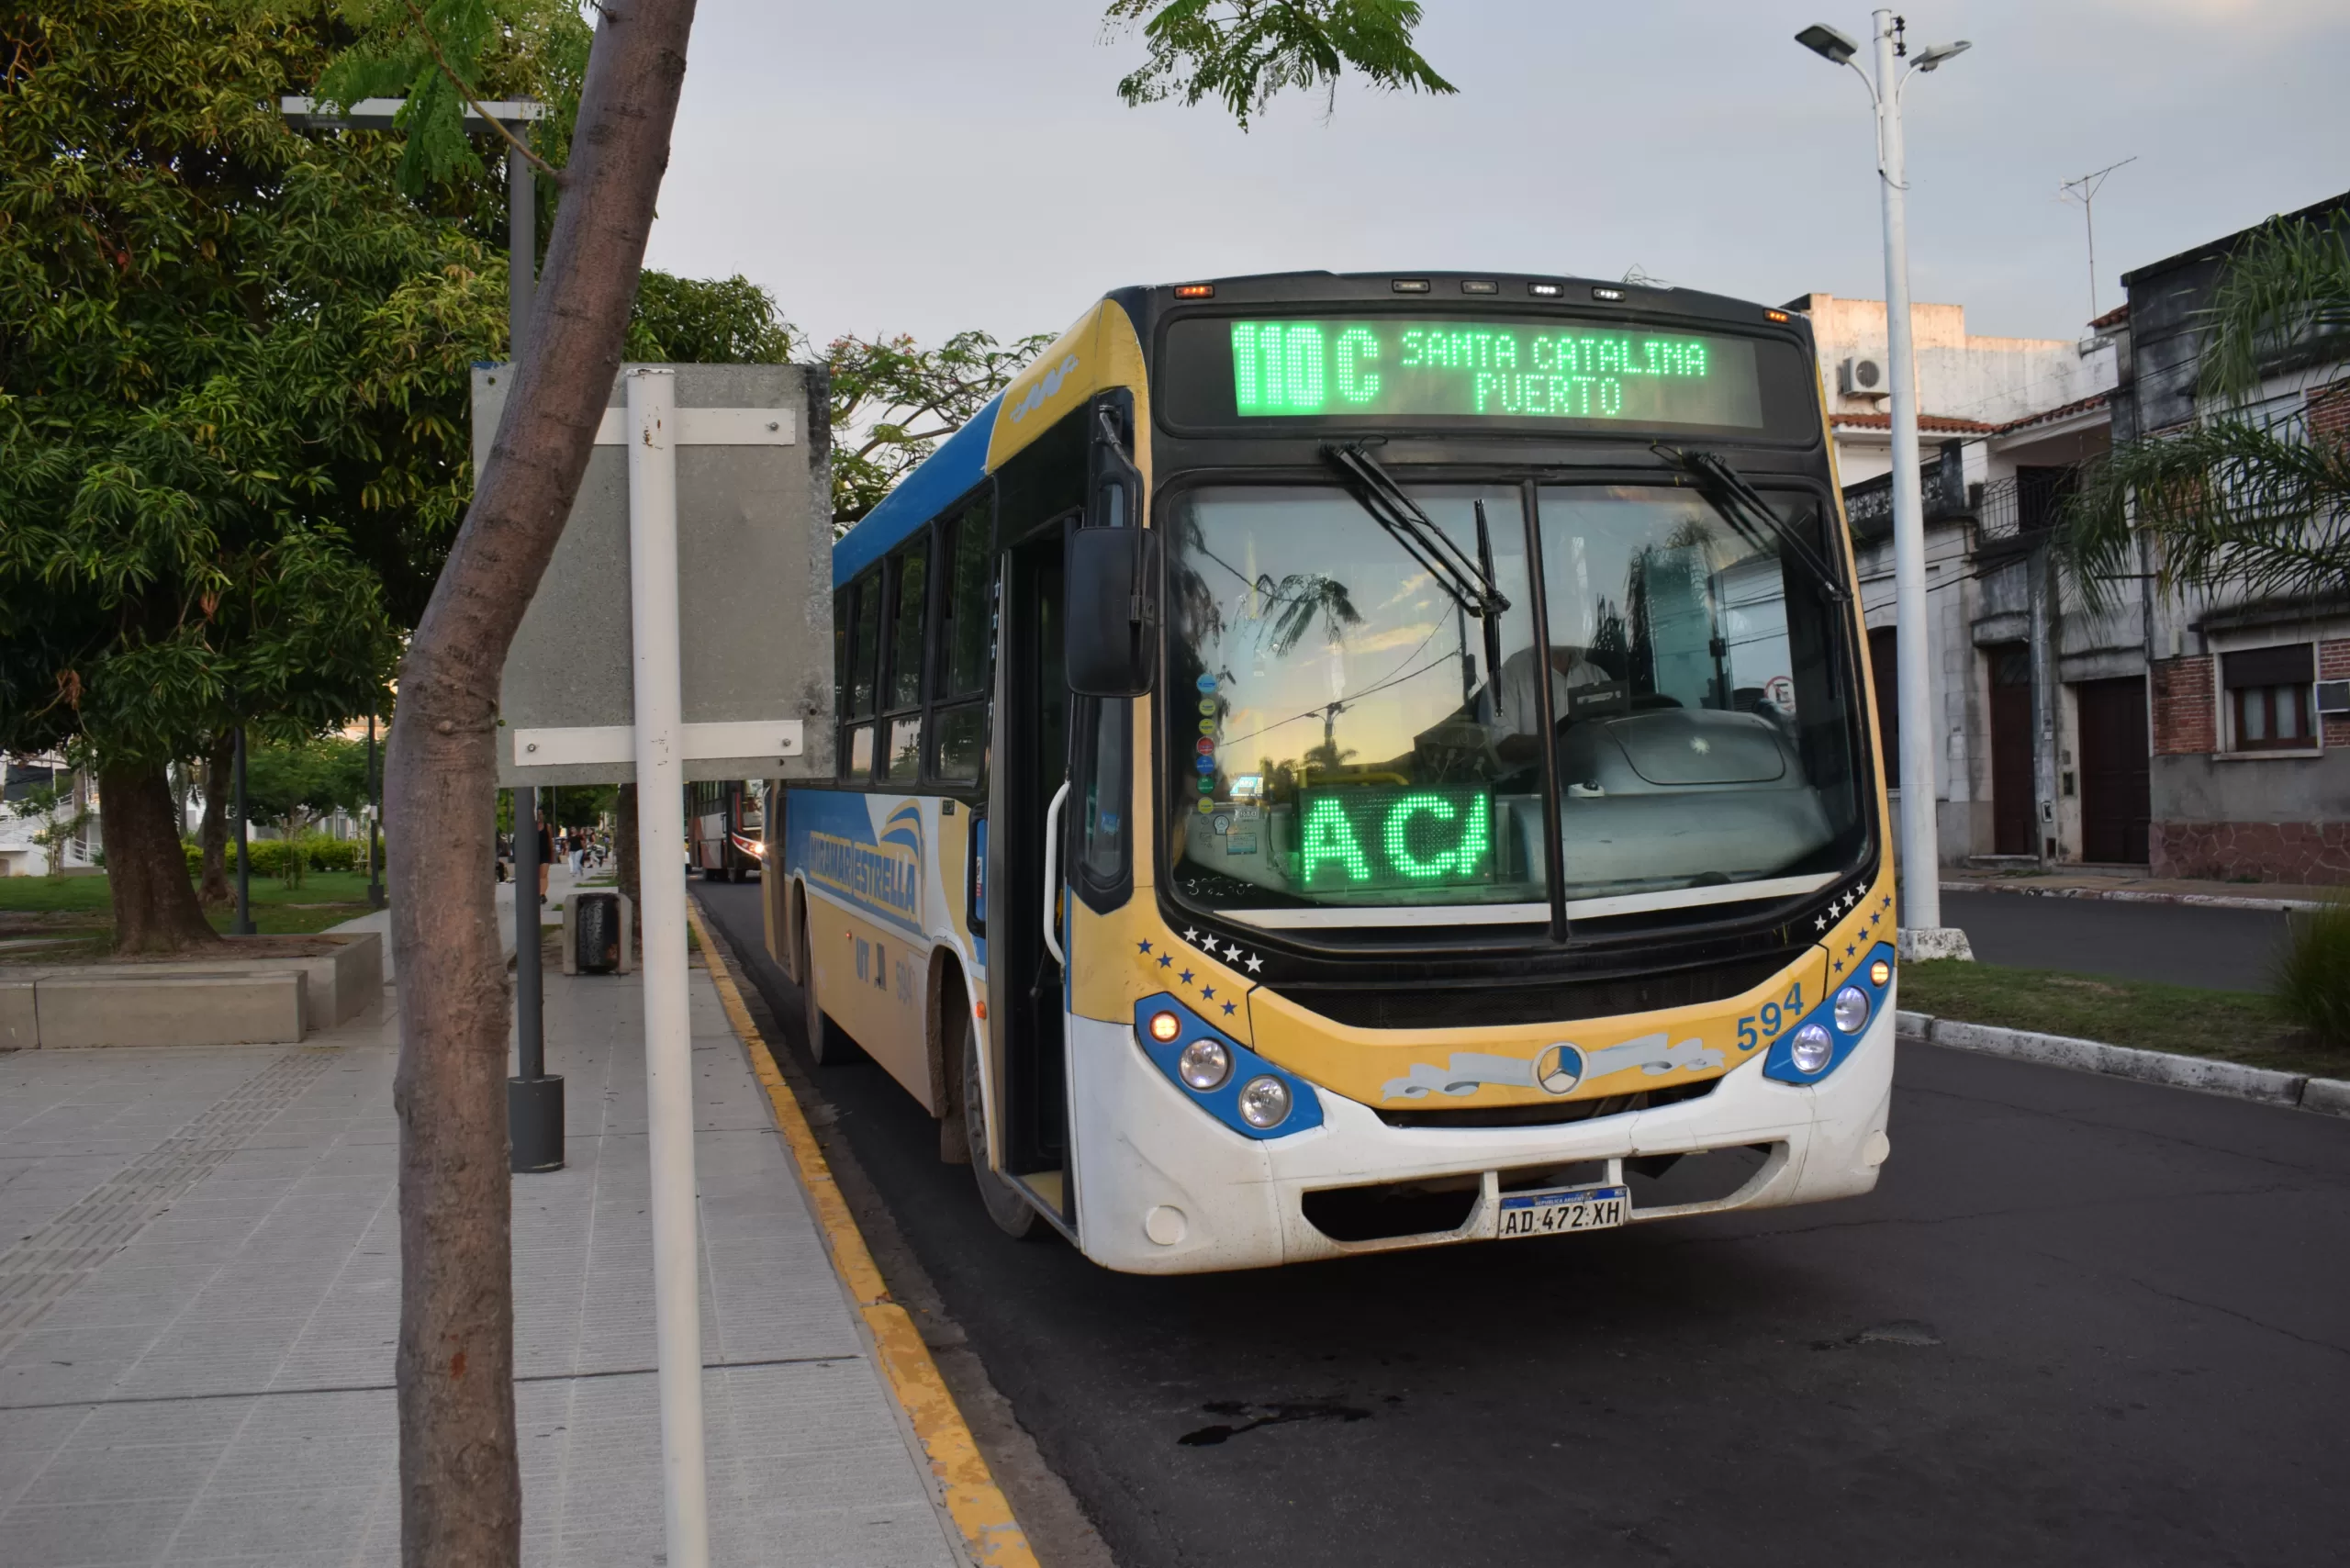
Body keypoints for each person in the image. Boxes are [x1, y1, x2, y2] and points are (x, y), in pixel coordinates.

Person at [1490, 644, 1607, 761]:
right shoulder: (1510, 672)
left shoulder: (1596, 674)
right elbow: (1501, 746)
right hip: (1535, 777)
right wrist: (1558, 739)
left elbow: (1616, 734)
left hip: (1595, 774)